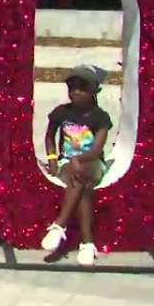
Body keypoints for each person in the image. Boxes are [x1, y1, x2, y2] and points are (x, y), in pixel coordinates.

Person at [40, 64, 112, 266]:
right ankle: (87, 243)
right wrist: (53, 159)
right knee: (82, 184)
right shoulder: (61, 113)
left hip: (93, 163)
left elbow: (97, 150)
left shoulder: (100, 117)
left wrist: (80, 159)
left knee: (81, 172)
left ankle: (59, 225)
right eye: (72, 88)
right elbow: (49, 137)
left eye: (82, 88)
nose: (76, 93)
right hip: (67, 164)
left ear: (93, 92)